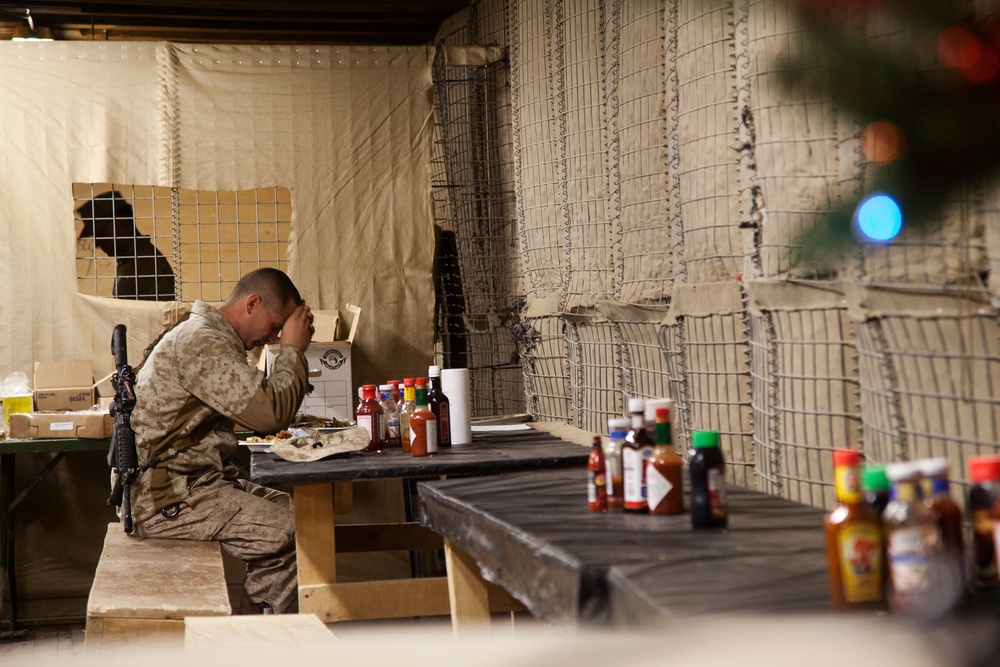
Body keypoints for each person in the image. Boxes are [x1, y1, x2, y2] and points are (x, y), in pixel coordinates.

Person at [127, 267, 314, 614]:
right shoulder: (202, 342)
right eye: (275, 326)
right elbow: (271, 414)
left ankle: (262, 628)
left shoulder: (207, 334)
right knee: (291, 534)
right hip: (169, 497)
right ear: (253, 303)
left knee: (308, 518)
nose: (273, 339)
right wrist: (293, 350)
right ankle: (252, 640)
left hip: (198, 483)